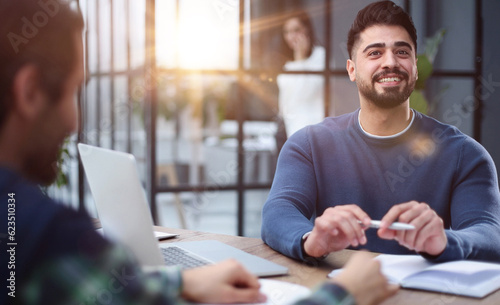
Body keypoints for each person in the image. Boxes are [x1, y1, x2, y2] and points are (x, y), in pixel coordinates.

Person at [0, 1, 397, 305]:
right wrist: (344, 290)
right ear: (30, 92)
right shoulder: (40, 238)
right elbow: (278, 215)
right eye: (73, 91)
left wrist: (180, 280)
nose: (73, 121)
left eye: (401, 52)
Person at [262, 0, 500, 264]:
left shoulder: (465, 154)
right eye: (375, 53)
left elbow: (489, 233)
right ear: (352, 70)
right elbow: (279, 211)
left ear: (415, 67)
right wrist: (310, 239)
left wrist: (445, 240)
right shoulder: (308, 145)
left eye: (402, 52)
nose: (390, 62)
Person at [277, 9, 325, 138]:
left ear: (307, 30)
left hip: (315, 132)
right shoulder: (287, 65)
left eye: (296, 30)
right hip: (292, 131)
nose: (291, 36)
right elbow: (285, 106)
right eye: (287, 32)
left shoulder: (320, 56)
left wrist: (300, 58)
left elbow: (305, 91)